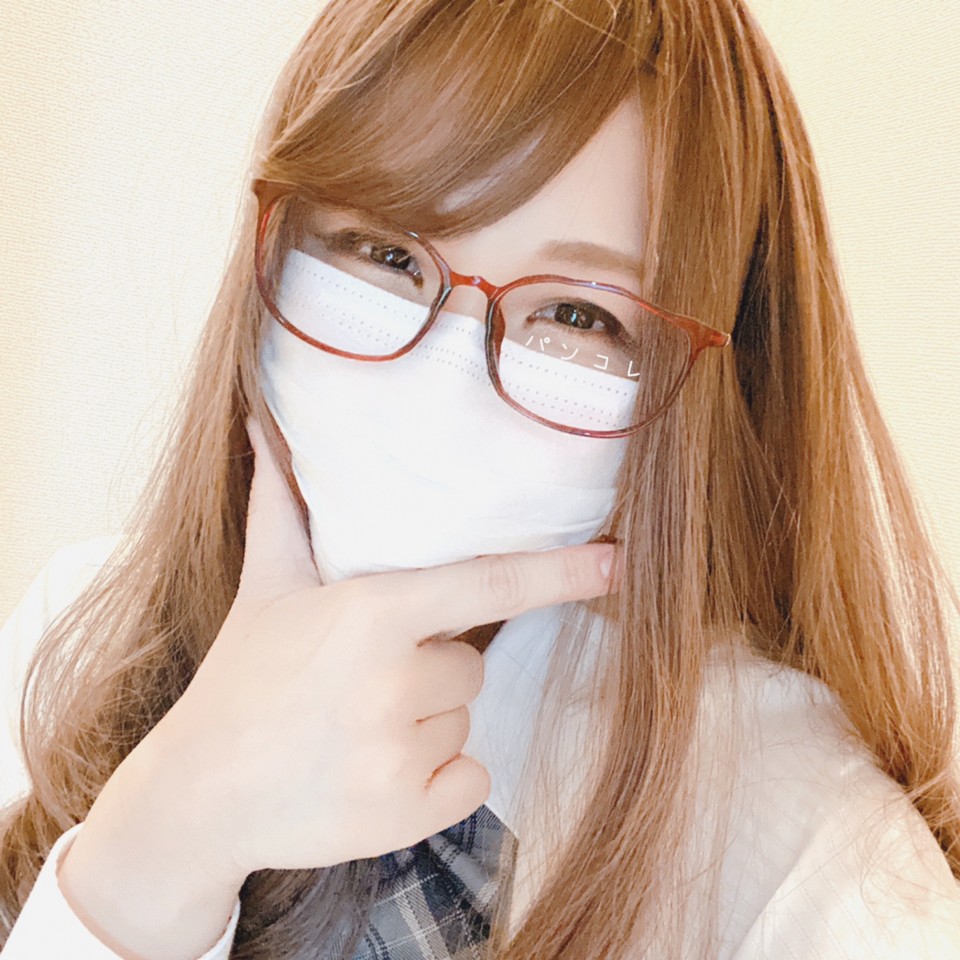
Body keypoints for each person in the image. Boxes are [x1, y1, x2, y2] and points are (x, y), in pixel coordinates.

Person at [2, 1, 959, 958]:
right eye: (386, 253)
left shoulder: (797, 841)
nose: (440, 383)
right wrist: (160, 842)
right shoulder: (81, 641)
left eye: (579, 316)